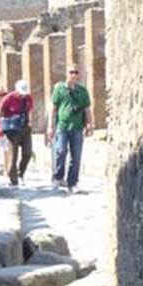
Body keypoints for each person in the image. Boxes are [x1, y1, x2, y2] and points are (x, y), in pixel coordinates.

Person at [47, 63, 94, 192]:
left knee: (76, 156)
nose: (74, 75)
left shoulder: (82, 91)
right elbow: (53, 108)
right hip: (62, 126)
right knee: (60, 151)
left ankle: (72, 183)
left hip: (77, 127)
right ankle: (58, 177)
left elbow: (87, 109)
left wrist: (90, 124)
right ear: (66, 74)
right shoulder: (59, 89)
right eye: (71, 72)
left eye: (76, 72)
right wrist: (50, 126)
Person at [0, 79, 33, 186]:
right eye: (20, 93)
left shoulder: (28, 98)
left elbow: (30, 111)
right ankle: (13, 179)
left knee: (27, 153)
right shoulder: (8, 98)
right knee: (13, 155)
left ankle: (21, 173)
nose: (22, 95)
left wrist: (30, 123)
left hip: (25, 128)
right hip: (12, 130)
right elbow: (1, 112)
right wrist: (3, 125)